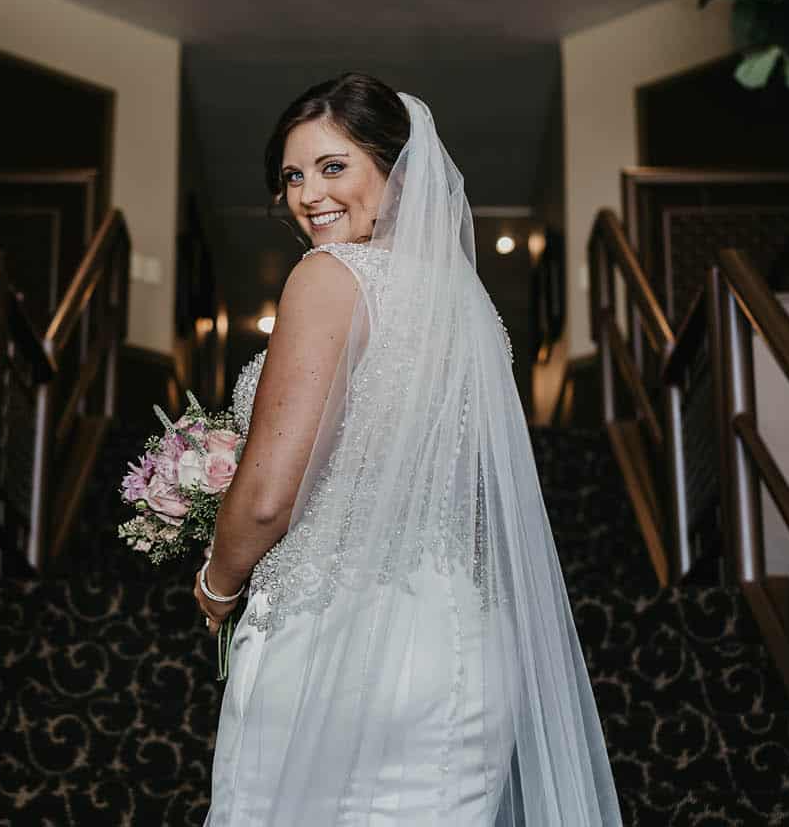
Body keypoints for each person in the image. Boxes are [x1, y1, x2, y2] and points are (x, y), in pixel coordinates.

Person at [196, 74, 619, 824]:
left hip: (333, 644)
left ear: (399, 170)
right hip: (463, 653)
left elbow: (267, 496)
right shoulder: (472, 306)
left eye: (334, 167)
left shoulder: (327, 278)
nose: (307, 194)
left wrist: (219, 582)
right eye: (293, 175)